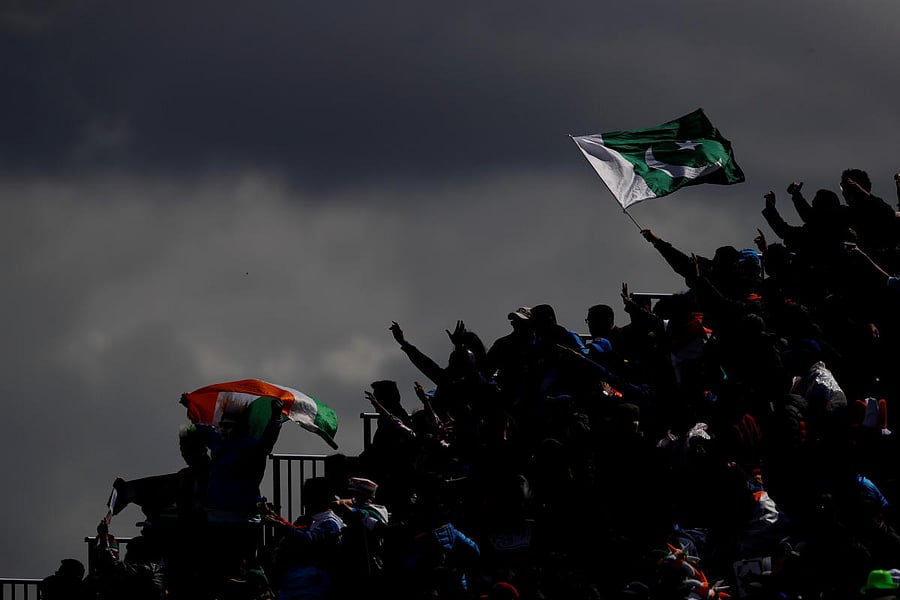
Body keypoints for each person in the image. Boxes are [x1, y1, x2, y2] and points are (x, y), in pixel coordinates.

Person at [263, 477, 345, 600]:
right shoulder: (309, 519)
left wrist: (283, 527)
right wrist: (276, 518)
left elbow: (309, 539)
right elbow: (296, 529)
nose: (305, 501)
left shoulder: (330, 523)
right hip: (298, 576)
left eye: (309, 496)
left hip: (313, 579)